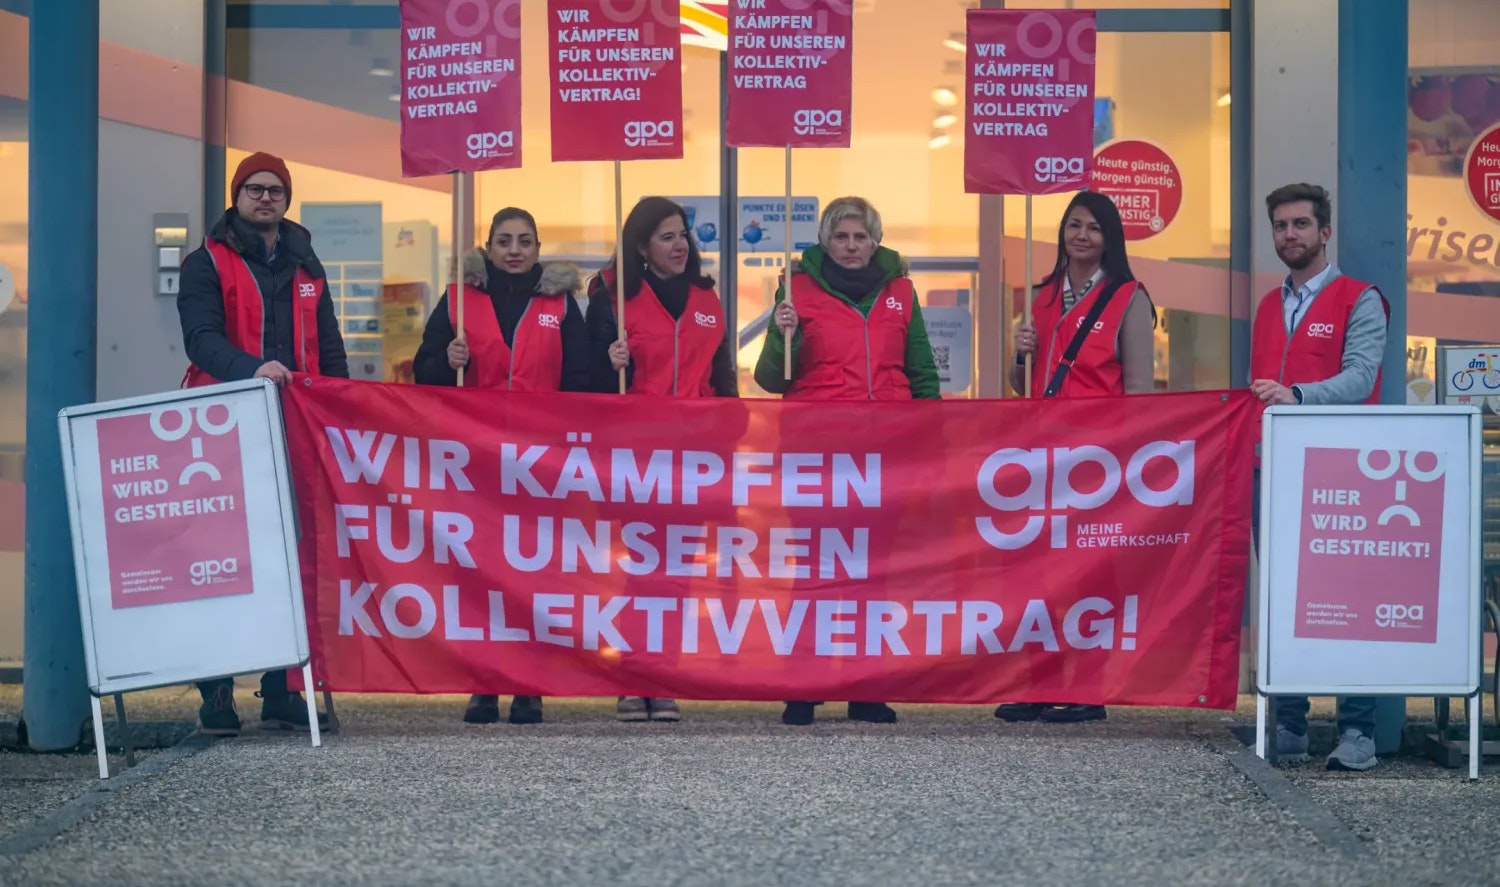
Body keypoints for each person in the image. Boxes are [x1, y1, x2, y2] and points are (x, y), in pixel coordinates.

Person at [754, 195, 940, 726]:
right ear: (825, 242)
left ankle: (866, 686)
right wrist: (783, 334)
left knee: (873, 571)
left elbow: (921, 370)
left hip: (885, 453)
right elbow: (771, 378)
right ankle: (803, 687)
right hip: (817, 453)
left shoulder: (901, 292)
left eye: (861, 237)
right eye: (841, 237)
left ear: (876, 242)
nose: (852, 246)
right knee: (815, 568)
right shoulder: (795, 290)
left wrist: (933, 440)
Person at [177, 151, 345, 736]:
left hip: (295, 424)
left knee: (291, 557)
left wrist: (343, 409)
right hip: (220, 426)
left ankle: (283, 688)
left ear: (287, 199)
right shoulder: (204, 262)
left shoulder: (308, 265)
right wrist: (253, 370)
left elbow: (330, 345)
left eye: (275, 190)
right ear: (237, 196)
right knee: (220, 558)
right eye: (255, 189)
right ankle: (217, 692)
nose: (266, 198)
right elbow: (200, 339)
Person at [413, 207, 592, 726]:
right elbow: (424, 373)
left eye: (525, 241)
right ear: (488, 247)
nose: (515, 250)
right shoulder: (459, 301)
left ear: (538, 249)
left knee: (534, 573)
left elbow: (584, 381)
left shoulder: (561, 304)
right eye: (505, 241)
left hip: (540, 462)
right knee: (479, 571)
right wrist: (447, 361)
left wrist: (610, 367)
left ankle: (528, 683)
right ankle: (484, 681)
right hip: (476, 461)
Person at [995, 189, 1156, 726]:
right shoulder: (1041, 296)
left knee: (1091, 574)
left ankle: (1090, 685)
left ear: (1110, 238)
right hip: (1042, 458)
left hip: (1096, 461)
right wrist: (1018, 355)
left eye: (1094, 227)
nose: (1082, 236)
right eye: (1074, 225)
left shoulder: (1128, 298)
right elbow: (1022, 384)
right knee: (1037, 574)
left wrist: (1128, 463)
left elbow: (1138, 391)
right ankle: (1038, 683)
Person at [1249, 182, 1389, 771]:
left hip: (1341, 472)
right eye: (1281, 226)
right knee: (1282, 599)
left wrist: (1299, 395)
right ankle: (1290, 726)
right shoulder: (1267, 305)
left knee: (1350, 599)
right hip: (1272, 468)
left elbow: (1361, 376)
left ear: (1325, 232)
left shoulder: (1361, 299)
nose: (1289, 235)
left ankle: (1359, 732)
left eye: (1301, 224)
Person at [584, 196, 739, 722]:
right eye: (666, 236)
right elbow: (586, 383)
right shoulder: (611, 298)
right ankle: (634, 676)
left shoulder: (707, 298)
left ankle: (663, 674)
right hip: (635, 455)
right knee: (641, 567)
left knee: (679, 569)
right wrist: (609, 363)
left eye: (682, 235)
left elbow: (722, 376)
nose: (680, 245)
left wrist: (731, 436)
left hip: (694, 455)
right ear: (641, 246)